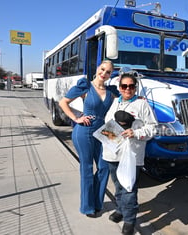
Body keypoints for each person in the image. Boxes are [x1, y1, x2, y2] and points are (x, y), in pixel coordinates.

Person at [59, 60, 117, 218]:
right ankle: (87, 207)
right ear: (97, 68)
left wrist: (140, 100)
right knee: (86, 168)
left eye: (108, 72)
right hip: (84, 130)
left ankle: (98, 202)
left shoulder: (111, 91)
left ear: (111, 74)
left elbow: (126, 99)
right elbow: (63, 102)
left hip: (105, 131)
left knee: (104, 167)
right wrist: (76, 118)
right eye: (102, 69)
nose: (104, 74)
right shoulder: (85, 86)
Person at [102, 73, 158, 235]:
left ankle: (129, 220)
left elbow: (153, 128)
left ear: (135, 88)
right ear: (119, 88)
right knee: (118, 186)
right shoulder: (115, 102)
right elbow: (107, 123)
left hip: (132, 154)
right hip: (113, 152)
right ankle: (120, 210)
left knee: (129, 187)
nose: (127, 89)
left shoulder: (142, 105)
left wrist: (135, 132)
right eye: (124, 86)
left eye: (131, 86)